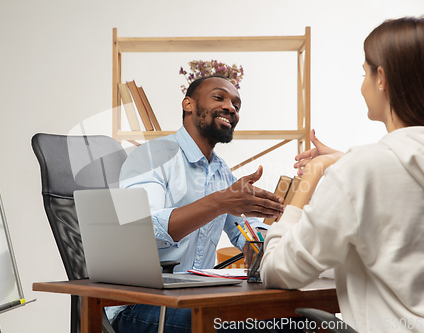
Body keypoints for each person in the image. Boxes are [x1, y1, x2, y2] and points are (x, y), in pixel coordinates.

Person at [261, 17, 424, 333]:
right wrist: (345, 162)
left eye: (364, 73)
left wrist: (312, 176)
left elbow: (278, 270)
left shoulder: (361, 169)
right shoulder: (365, 166)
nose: (362, 84)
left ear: (382, 79)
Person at [109, 74, 287, 333]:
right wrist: (219, 202)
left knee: (293, 319)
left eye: (236, 105)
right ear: (188, 104)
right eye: (219, 97)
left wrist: (272, 239)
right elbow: (140, 231)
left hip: (195, 297)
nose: (230, 107)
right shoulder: (152, 156)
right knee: (247, 327)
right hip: (139, 304)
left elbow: (246, 229)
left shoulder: (221, 171)